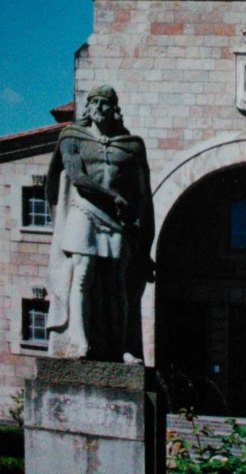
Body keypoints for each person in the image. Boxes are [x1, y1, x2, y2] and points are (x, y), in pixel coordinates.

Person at [45, 85, 154, 362]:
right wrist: (112, 196)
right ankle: (80, 342)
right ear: (89, 107)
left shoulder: (131, 146)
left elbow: (142, 195)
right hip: (85, 210)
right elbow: (77, 177)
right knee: (82, 275)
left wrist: (143, 242)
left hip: (117, 222)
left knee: (118, 282)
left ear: (114, 108)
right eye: (97, 103)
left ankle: (121, 347)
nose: (101, 109)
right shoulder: (72, 137)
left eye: (107, 104)